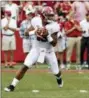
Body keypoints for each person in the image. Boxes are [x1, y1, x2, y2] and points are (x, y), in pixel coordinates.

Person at [4, 6, 63, 92]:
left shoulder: (54, 26)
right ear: (43, 16)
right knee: (25, 66)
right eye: (49, 15)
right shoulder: (36, 20)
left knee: (56, 72)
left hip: (49, 51)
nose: (51, 17)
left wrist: (48, 36)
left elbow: (54, 44)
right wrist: (35, 31)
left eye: (51, 15)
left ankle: (59, 78)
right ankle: (12, 85)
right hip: (37, 48)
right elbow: (26, 33)